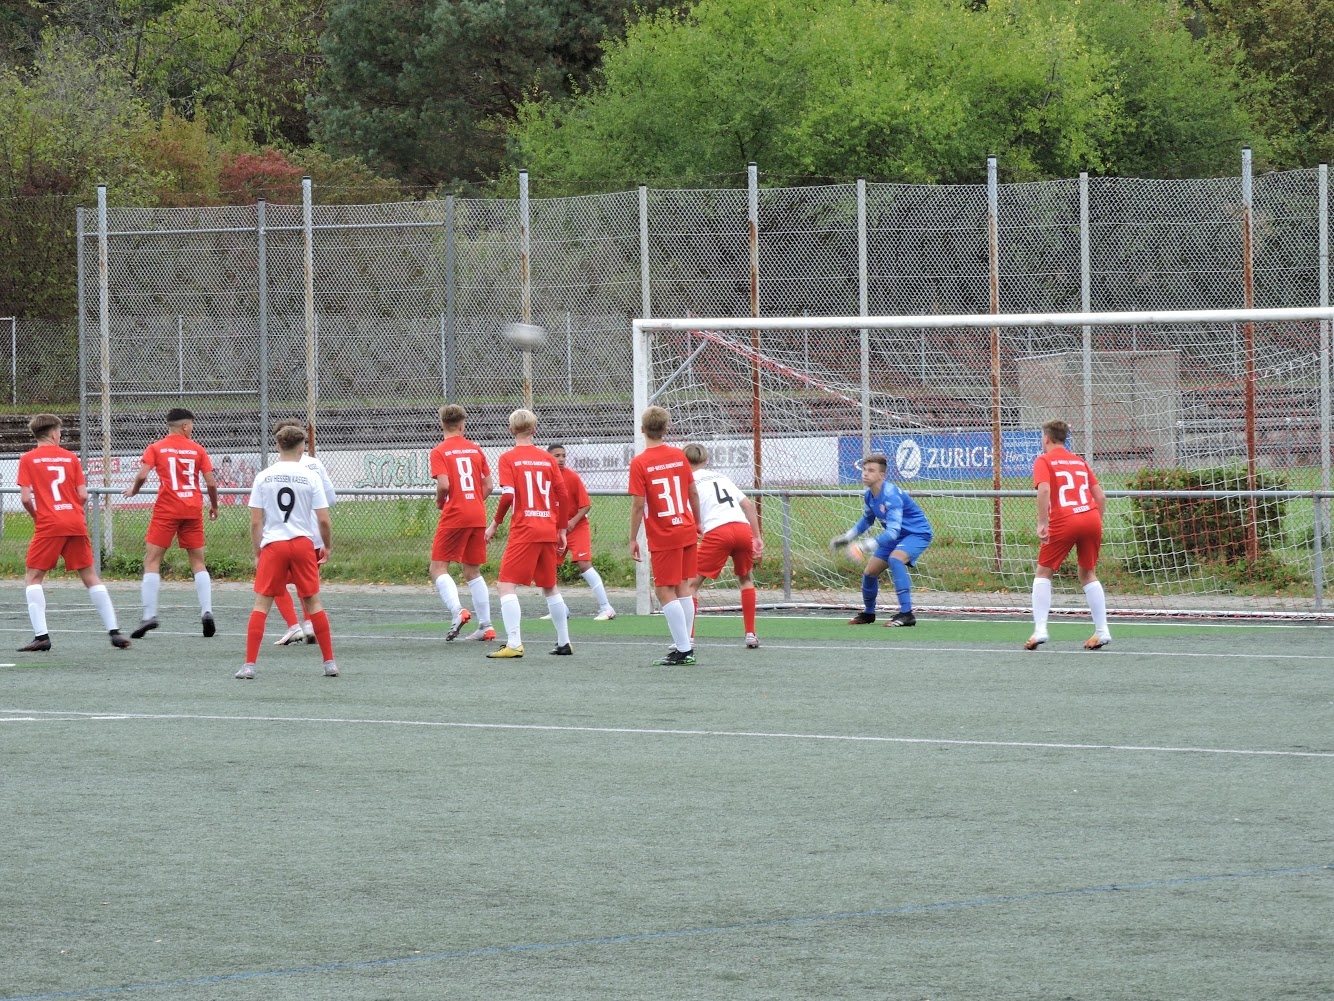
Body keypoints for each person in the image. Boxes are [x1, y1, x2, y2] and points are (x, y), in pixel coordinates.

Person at [15, 414, 131, 652]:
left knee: (33, 578)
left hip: (49, 524)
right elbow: (84, 495)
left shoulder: (28, 459)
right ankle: (114, 631)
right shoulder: (70, 458)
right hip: (75, 521)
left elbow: (26, 498)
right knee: (90, 577)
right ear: (54, 434)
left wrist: (40, 517)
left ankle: (42, 637)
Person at [236, 424, 338, 679]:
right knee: (313, 602)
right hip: (303, 543)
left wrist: (258, 551)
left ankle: (249, 665)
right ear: (302, 447)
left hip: (274, 543)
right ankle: (329, 663)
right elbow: (323, 519)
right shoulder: (310, 475)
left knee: (262, 604)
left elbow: (256, 521)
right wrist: (326, 545)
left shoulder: (264, 476)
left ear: (278, 445)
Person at [122, 407, 220, 639]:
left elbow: (143, 475)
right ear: (185, 426)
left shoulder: (156, 447)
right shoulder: (197, 449)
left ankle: (149, 615)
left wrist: (134, 491)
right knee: (198, 561)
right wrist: (214, 506)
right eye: (191, 425)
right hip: (192, 507)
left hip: (167, 508)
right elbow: (211, 483)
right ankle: (206, 611)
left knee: (152, 559)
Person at [482, 409, 572, 658]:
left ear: (511, 430)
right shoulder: (548, 459)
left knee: (505, 585)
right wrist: (562, 528)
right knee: (550, 586)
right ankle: (564, 642)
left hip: (525, 528)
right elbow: (563, 495)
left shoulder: (508, 458)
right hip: (548, 527)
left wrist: (495, 523)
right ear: (534, 429)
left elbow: (509, 496)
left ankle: (514, 643)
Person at [1026, 419, 1111, 651]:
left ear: (1046, 439)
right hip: (1091, 517)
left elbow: (1044, 489)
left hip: (1065, 519)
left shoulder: (1043, 460)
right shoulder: (1079, 461)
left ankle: (1040, 629)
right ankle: (1102, 631)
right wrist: (1094, 522)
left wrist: (1042, 522)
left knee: (1044, 571)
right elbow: (1101, 497)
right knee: (1087, 573)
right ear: (1065, 439)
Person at [628, 405, 701, 666]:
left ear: (642, 429)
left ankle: (684, 649)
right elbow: (692, 492)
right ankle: (685, 643)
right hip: (686, 526)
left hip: (665, 533)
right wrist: (698, 522)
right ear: (666, 429)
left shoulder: (640, 462)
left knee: (663, 591)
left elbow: (638, 505)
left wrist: (632, 538)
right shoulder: (679, 456)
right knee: (682, 587)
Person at [830, 453, 932, 627]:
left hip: (917, 534)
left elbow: (892, 532)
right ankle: (869, 614)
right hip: (897, 536)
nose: (865, 473)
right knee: (870, 572)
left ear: (882, 475)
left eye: (871, 470)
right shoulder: (869, 495)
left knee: (895, 559)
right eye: (864, 469)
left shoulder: (891, 496)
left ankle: (907, 614)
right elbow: (867, 520)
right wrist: (847, 538)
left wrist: (863, 546)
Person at [684, 443, 763, 649]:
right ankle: (750, 634)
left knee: (691, 585)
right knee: (746, 580)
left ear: (684, 462)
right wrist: (756, 536)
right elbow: (747, 505)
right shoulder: (721, 477)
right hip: (742, 529)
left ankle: (688, 639)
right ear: (706, 460)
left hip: (718, 532)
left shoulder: (688, 481)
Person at [429, 404, 496, 642]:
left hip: (455, 512)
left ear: (441, 425)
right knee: (472, 570)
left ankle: (458, 611)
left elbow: (444, 485)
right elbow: (488, 485)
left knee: (438, 567)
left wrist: (440, 501)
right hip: (477, 513)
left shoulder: (439, 451)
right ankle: (486, 626)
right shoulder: (476, 450)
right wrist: (474, 500)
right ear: (462, 425)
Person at [269, 419, 338, 647]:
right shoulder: (314, 465)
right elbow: (331, 499)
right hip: (314, 535)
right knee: (306, 584)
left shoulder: (273, 472)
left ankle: (294, 626)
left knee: (274, 583)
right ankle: (309, 626)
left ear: (279, 443)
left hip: (283, 534)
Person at [545, 444, 615, 621]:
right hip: (555, 528)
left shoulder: (572, 477)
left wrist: (572, 522)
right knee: (547, 567)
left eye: (563, 456)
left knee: (584, 563)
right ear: (548, 458)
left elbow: (586, 504)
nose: (560, 459)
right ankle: (561, 609)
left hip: (576, 527)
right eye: (556, 456)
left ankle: (606, 608)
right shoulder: (545, 479)